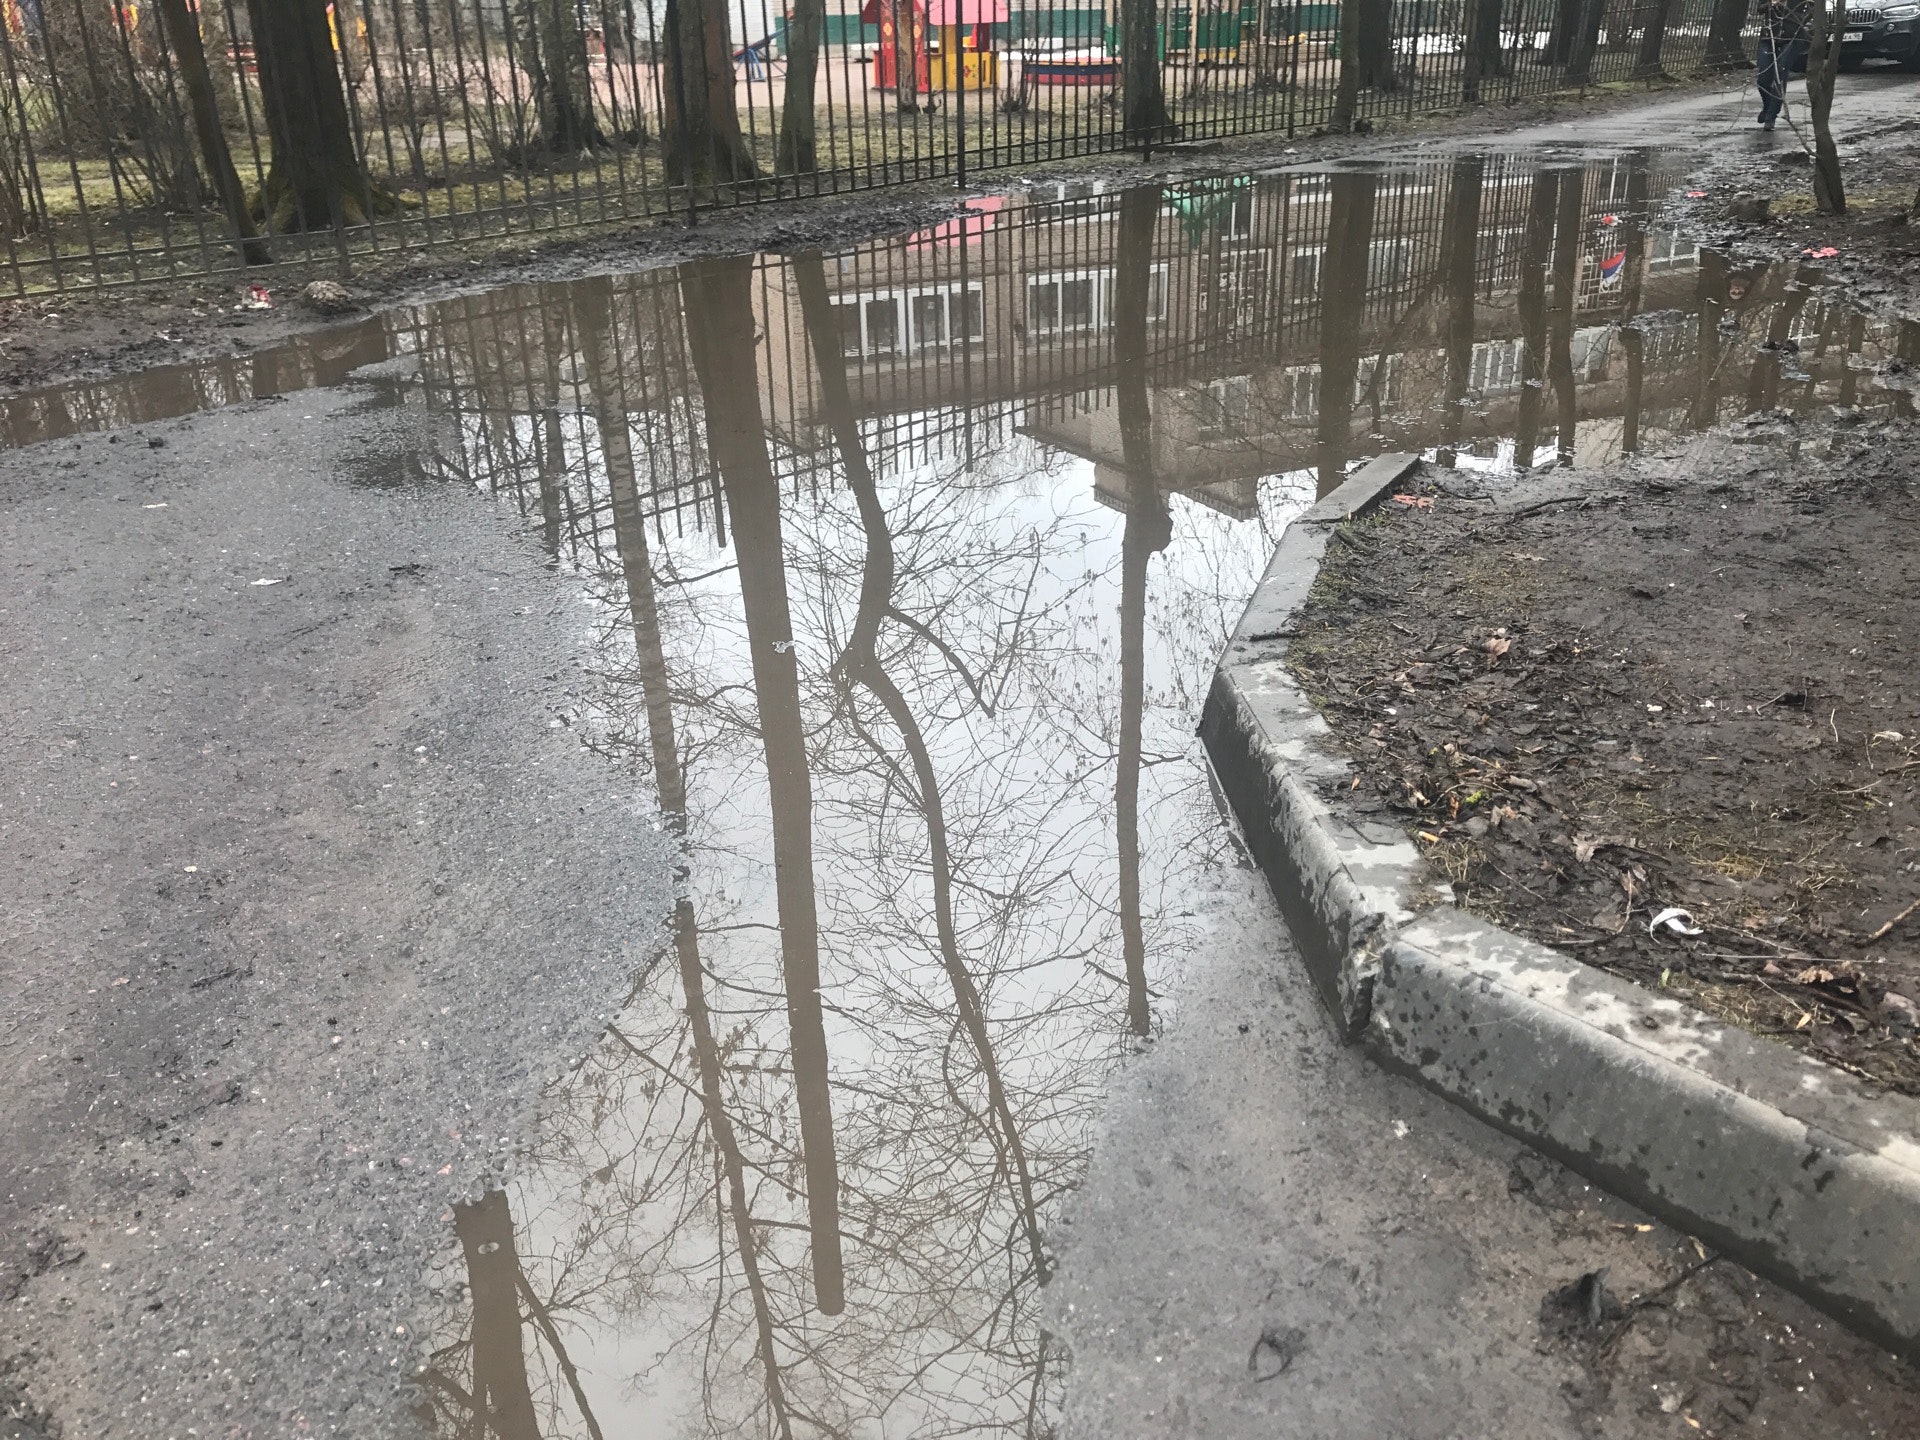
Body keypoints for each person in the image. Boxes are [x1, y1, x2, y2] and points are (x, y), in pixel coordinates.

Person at [1756, 0, 1813, 131]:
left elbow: (1812, 9)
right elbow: (1759, 8)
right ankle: (1767, 106)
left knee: (1780, 74)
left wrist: (1797, 18)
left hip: (1792, 37)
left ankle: (1771, 116)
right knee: (1763, 78)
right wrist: (1771, 4)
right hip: (1769, 36)